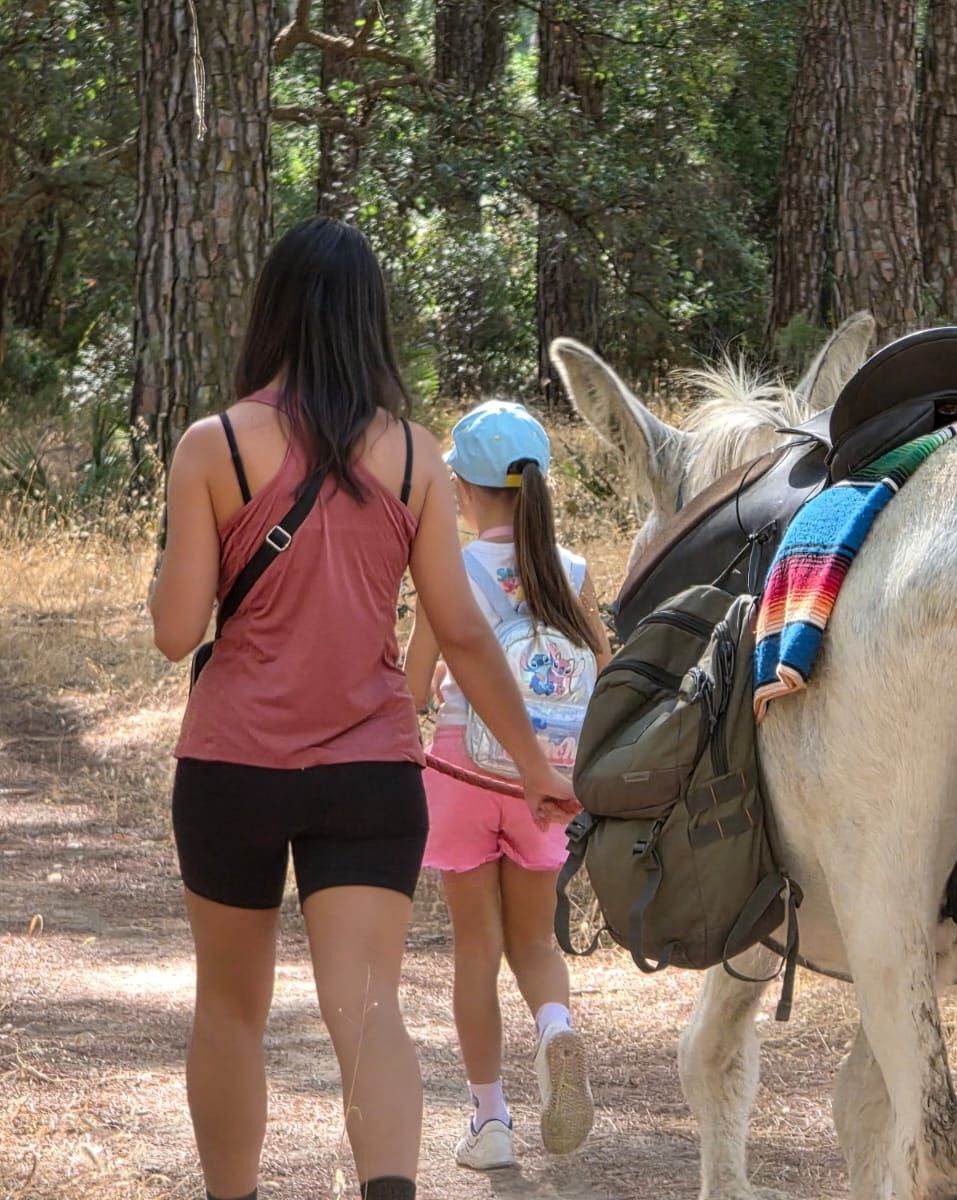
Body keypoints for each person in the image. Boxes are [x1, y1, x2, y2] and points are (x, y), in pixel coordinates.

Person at [149, 217, 576, 1200]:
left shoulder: (213, 447)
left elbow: (176, 632)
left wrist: (167, 577)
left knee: (229, 1010)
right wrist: (535, 767)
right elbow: (462, 633)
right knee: (371, 1008)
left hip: (233, 768)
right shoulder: (419, 459)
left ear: (274, 312)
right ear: (369, 321)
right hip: (372, 773)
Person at [403, 400, 611, 1170]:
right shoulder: (575, 573)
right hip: (547, 779)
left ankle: (491, 1123)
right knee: (534, 940)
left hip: (463, 769)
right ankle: (555, 1028)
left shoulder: (449, 571)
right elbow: (607, 678)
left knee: (475, 951)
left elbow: (418, 687)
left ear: (462, 488)